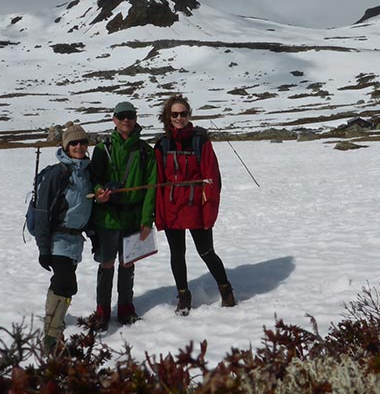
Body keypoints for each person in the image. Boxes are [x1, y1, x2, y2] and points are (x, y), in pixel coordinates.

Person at [153, 94, 236, 315]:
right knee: (177, 254)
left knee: (206, 251)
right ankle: (183, 296)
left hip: (196, 207)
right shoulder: (161, 144)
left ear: (189, 115)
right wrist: (159, 212)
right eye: (175, 114)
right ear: (167, 117)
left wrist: (209, 207)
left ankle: (225, 288)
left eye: (183, 114)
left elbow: (212, 177)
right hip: (172, 209)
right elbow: (158, 181)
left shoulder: (201, 141)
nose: (179, 118)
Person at [32, 124, 110, 352]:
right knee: (65, 283)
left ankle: (52, 331)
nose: (79, 146)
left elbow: (87, 209)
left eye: (82, 142)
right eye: (73, 143)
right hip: (57, 239)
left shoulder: (87, 172)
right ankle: (51, 336)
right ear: (65, 146)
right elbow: (43, 213)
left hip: (75, 241)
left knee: (63, 284)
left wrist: (93, 236)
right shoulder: (58, 174)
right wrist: (43, 247)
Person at [87, 101, 157, 329]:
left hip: (134, 217)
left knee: (128, 263)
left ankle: (126, 307)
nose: (126, 119)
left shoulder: (146, 152)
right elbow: (94, 179)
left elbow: (151, 188)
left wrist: (147, 220)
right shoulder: (101, 149)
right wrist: (99, 193)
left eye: (131, 115)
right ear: (114, 119)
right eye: (122, 116)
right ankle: (102, 309)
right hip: (107, 217)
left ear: (135, 118)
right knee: (107, 263)